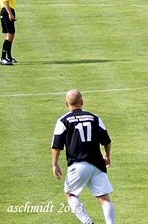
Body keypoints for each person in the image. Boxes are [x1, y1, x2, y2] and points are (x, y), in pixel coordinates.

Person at [51, 89, 116, 224]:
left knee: (70, 194)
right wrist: (107, 155)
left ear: (66, 104)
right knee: (104, 197)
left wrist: (55, 164)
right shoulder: (94, 118)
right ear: (82, 102)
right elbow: (107, 141)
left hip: (78, 164)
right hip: (97, 163)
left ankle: (88, 222)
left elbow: (57, 145)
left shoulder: (63, 121)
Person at [0, 0, 19, 65]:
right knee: (9, 35)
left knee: (12, 35)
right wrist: (10, 14)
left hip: (10, 11)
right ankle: (2, 58)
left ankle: (9, 57)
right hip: (6, 11)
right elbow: (5, 1)